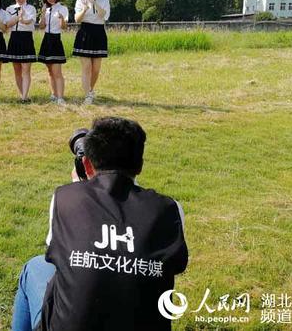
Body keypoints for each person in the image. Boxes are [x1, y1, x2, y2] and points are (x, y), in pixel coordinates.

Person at [12, 116, 188, 331]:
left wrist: (80, 187)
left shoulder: (65, 198)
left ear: (87, 163)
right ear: (140, 165)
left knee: (35, 267)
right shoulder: (170, 210)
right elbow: (174, 266)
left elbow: (59, 258)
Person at [73, 0, 111, 105]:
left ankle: (90, 90)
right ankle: (88, 95)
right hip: (85, 32)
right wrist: (84, 9)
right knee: (86, 67)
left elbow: (104, 16)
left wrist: (94, 3)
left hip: (99, 32)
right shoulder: (80, 0)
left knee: (96, 68)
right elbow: (77, 19)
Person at [37, 0, 69, 105]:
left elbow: (64, 27)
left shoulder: (63, 8)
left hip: (56, 39)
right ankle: (54, 94)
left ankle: (60, 98)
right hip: (46, 40)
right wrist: (42, 13)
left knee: (57, 72)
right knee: (50, 71)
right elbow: (41, 26)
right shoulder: (46, 10)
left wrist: (62, 19)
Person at [6, 0, 37, 103]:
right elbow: (7, 24)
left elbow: (29, 22)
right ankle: (22, 94)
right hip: (14, 38)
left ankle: (24, 96)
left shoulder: (31, 8)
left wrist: (22, 18)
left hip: (26, 38)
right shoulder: (9, 8)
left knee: (26, 69)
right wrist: (17, 17)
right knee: (17, 70)